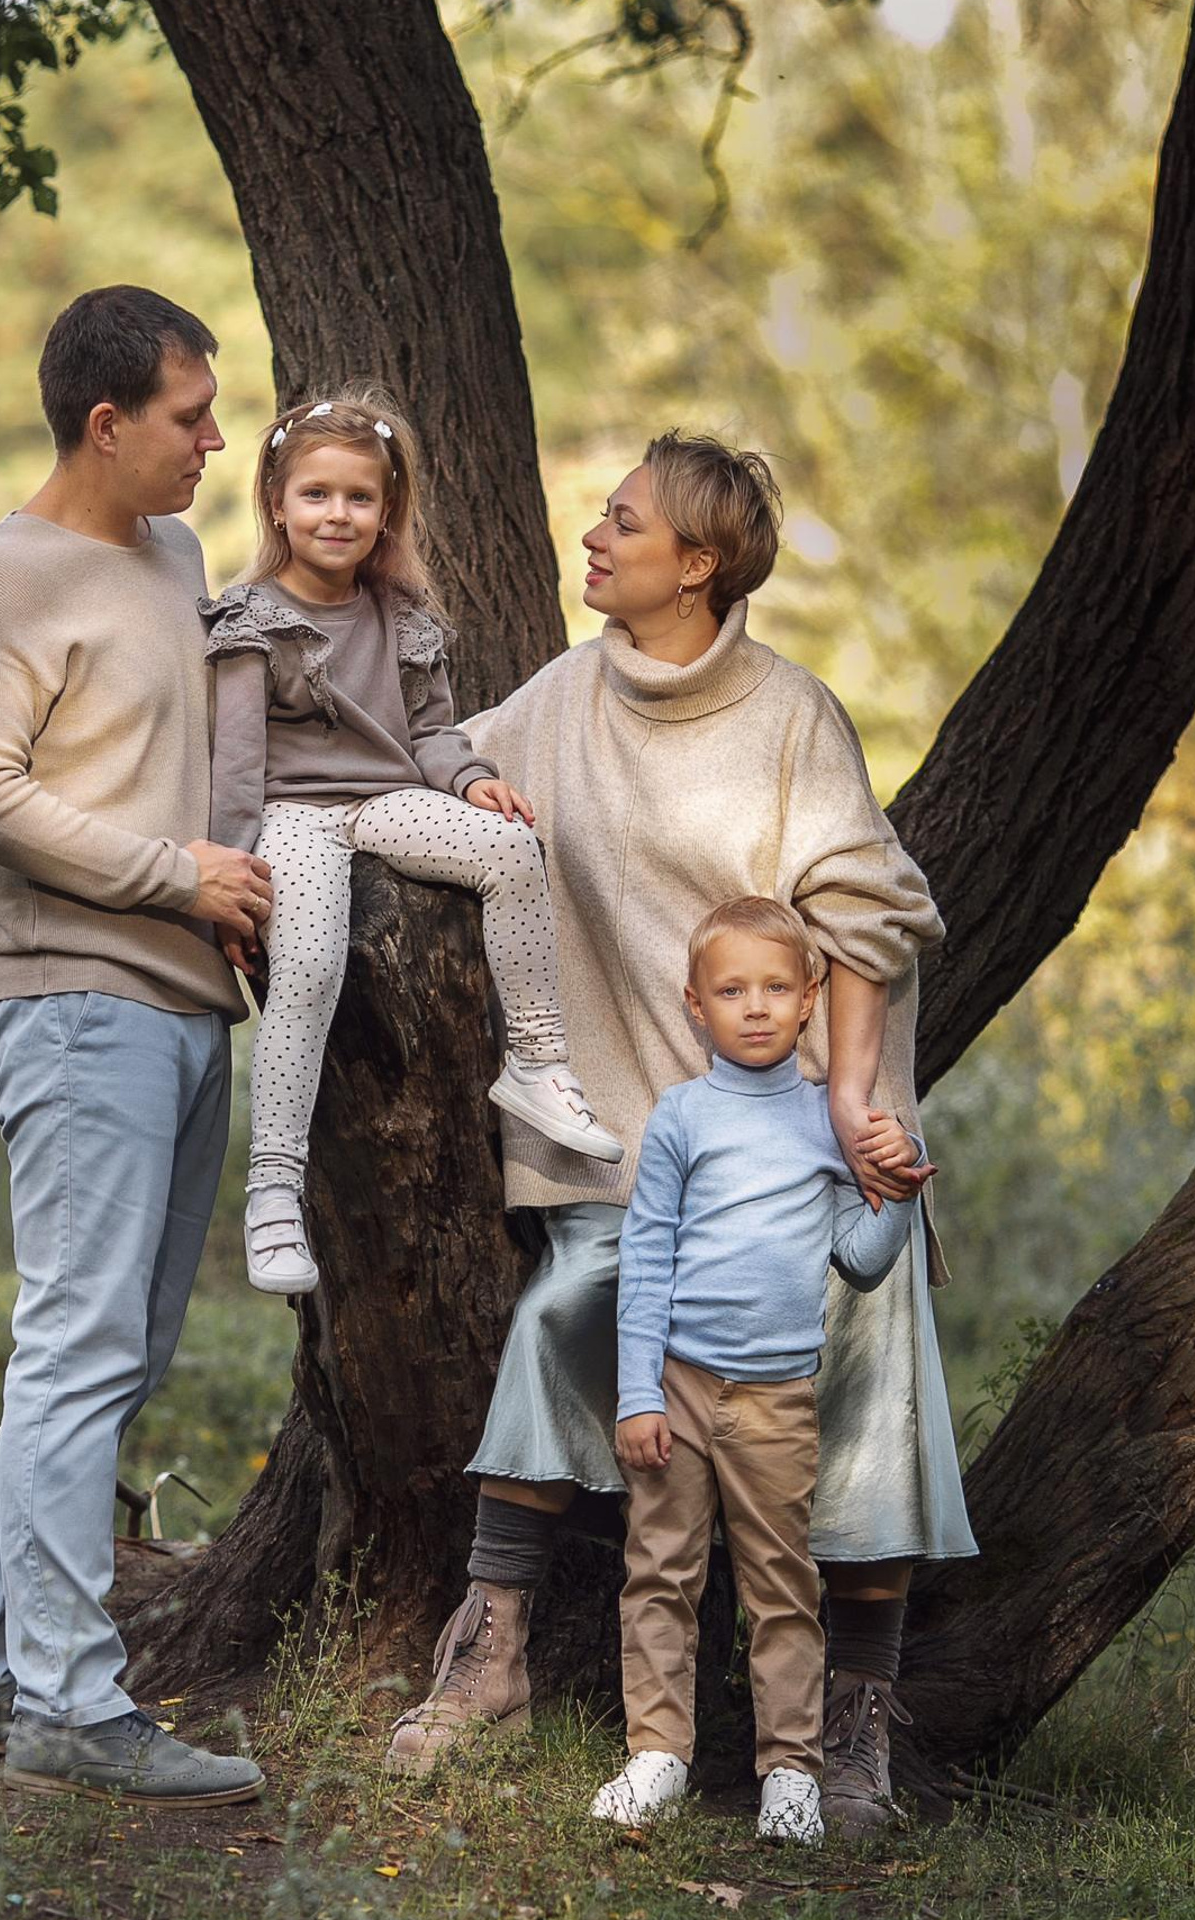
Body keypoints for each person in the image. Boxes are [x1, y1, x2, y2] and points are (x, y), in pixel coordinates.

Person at [385, 432, 976, 1839]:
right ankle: (492, 1656)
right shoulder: (569, 695)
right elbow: (446, 766)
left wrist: (846, 1111)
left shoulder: (789, 718)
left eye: (624, 521)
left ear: (698, 562)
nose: (594, 536)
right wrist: (465, 798)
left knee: (875, 1337)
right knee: (566, 1309)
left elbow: (878, 912)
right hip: (640, 1148)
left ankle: (854, 1722)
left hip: (801, 1148)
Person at [0, 286, 269, 1807]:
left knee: (117, 1351)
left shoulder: (174, 556)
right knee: (80, 1347)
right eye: (191, 415)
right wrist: (174, 874)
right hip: (70, 1002)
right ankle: (66, 1703)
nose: (214, 439)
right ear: (107, 424)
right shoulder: (7, 574)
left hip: (183, 1005)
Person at [201, 389, 622, 1296]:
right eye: (316, 495)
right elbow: (235, 768)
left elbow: (431, 734)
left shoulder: (402, 616)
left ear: (387, 511)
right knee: (310, 967)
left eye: (359, 497)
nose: (337, 515)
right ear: (276, 502)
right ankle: (274, 1189)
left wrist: (472, 783)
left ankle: (540, 1066)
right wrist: (233, 885)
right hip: (292, 815)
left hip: (387, 799)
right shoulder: (249, 621)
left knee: (510, 851)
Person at [593, 897, 922, 1845]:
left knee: (782, 1588)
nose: (755, 1007)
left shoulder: (831, 1122)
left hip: (778, 1397)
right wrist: (638, 1394)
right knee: (659, 1571)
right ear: (694, 1005)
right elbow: (646, 1258)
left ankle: (790, 1771)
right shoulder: (682, 1117)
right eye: (731, 990)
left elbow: (859, 1257)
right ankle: (658, 1752)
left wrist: (898, 1186)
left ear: (812, 999)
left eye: (777, 988)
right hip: (681, 1390)